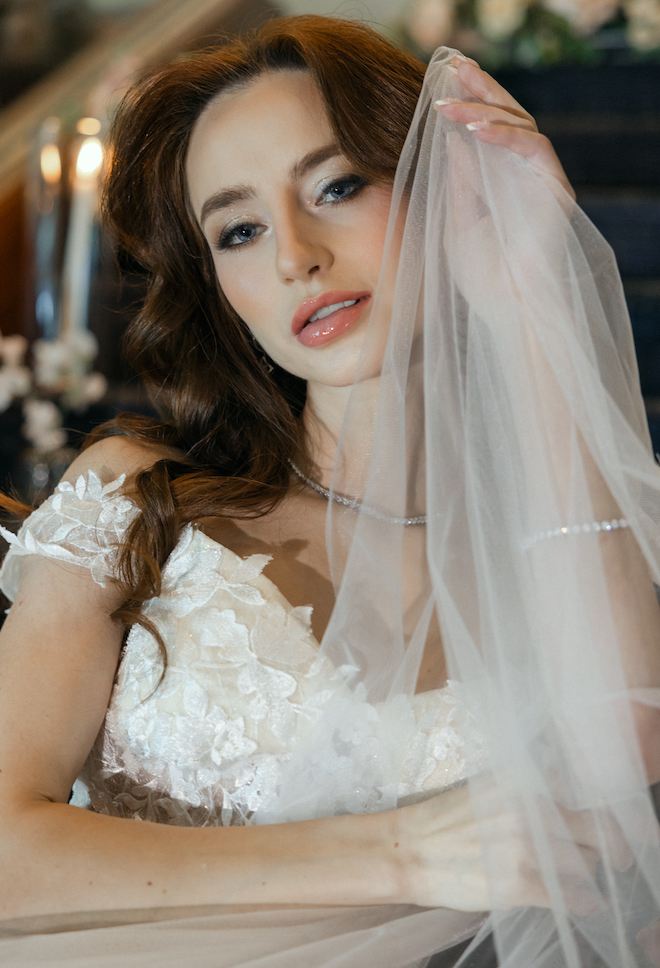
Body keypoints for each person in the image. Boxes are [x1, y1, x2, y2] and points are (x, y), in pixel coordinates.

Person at [1, 15, 660, 968]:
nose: (294, 255)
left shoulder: (566, 529)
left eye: (338, 186)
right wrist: (401, 855)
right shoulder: (134, 501)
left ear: (440, 187)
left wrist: (522, 301)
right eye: (239, 230)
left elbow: (625, 759)